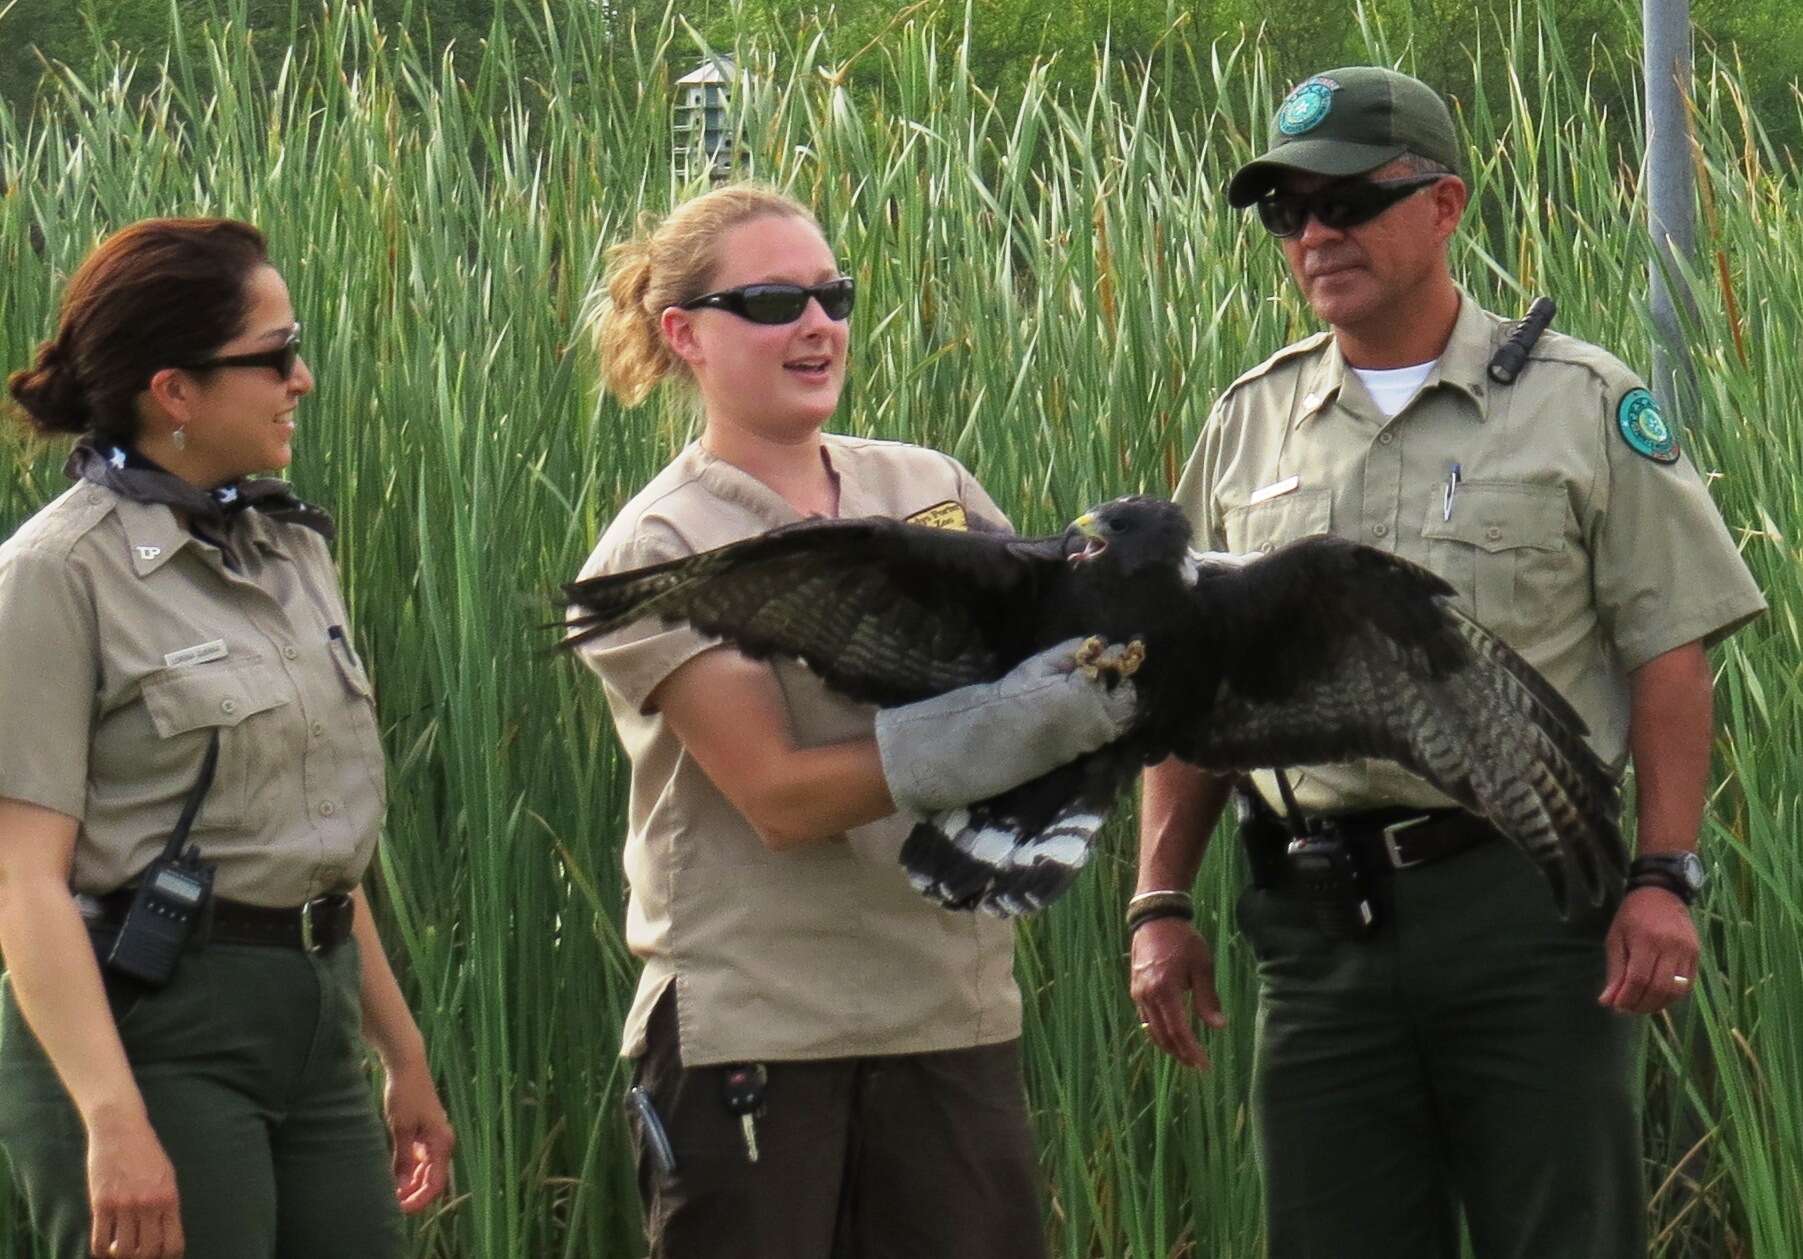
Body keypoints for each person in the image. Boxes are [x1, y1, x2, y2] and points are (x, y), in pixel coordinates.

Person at [1127, 67, 1765, 1259]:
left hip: (1524, 910)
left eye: (1351, 201)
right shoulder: (1249, 423)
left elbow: (1669, 654)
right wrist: (1161, 897)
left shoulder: (1581, 405)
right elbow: (1191, 688)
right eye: (1287, 211)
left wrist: (1663, 875)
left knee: (1559, 1232)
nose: (1317, 234)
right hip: (1317, 929)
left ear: (1444, 204)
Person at [569, 182, 1133, 1258]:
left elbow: (1057, 658)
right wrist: (1020, 720)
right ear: (683, 332)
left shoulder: (928, 487)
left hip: (949, 1018)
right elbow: (780, 795)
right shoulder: (663, 547)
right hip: (760, 1037)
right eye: (774, 300)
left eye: (834, 294)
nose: (817, 323)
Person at [0, 218, 454, 1259]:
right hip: (154, 1034)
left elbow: (319, 838)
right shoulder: (57, 574)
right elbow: (23, 882)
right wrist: (113, 1120)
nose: (300, 378)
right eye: (275, 354)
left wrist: (403, 1050)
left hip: (313, 1013)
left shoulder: (290, 551)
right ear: (176, 391)